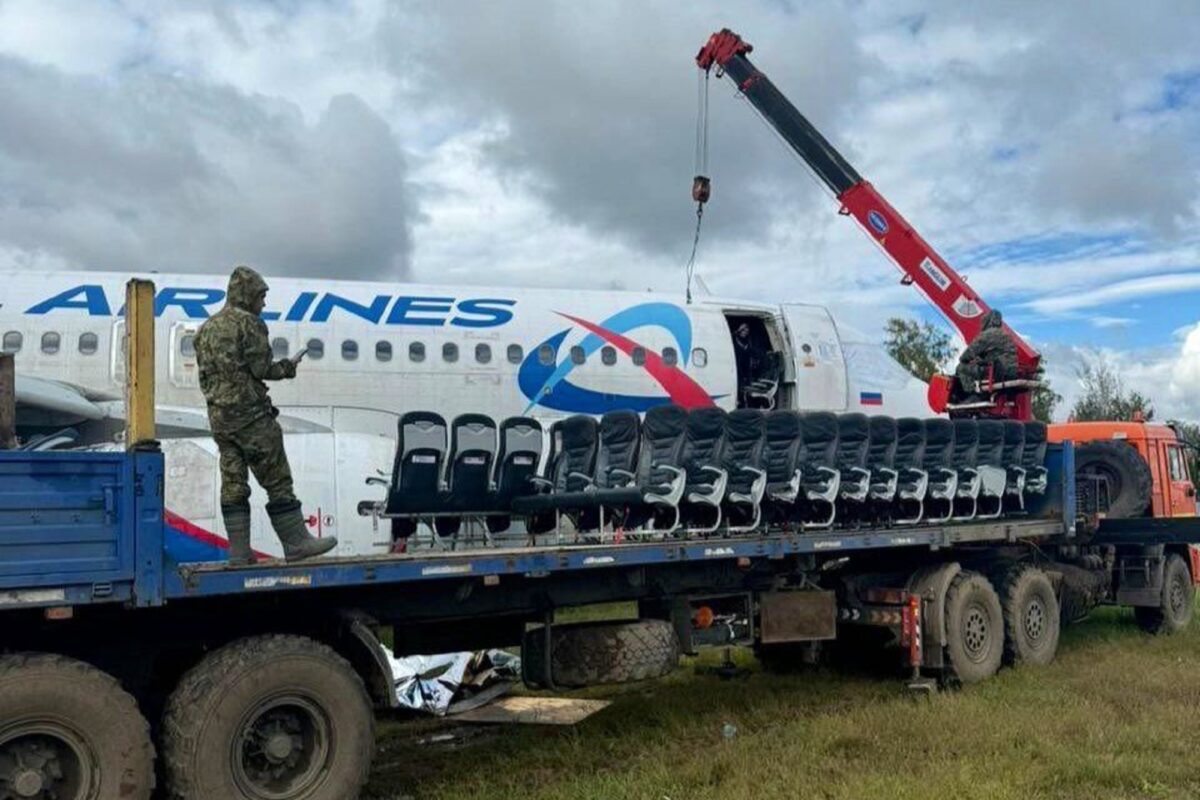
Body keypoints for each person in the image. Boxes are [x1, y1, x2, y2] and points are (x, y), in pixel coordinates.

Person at [194, 266, 337, 565]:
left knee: (233, 482)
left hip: (220, 419)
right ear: (248, 296)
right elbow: (261, 369)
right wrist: (287, 367)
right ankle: (296, 543)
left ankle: (239, 552)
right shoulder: (250, 324)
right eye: (261, 296)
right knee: (277, 480)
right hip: (251, 418)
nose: (263, 304)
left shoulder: (206, 328)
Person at [955, 309, 1018, 400]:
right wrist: (982, 360)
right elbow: (998, 354)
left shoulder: (987, 334)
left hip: (997, 372)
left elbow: (967, 355)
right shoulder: (1006, 335)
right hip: (1010, 372)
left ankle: (972, 394)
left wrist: (966, 359)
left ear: (987, 321)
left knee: (961, 368)